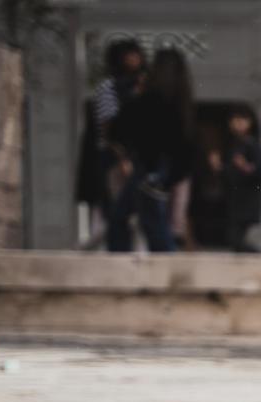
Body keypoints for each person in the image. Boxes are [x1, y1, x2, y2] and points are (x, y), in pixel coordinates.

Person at [107, 48, 196, 253]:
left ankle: (163, 273)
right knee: (145, 222)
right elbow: (185, 146)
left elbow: (119, 128)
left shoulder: (148, 99)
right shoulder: (181, 104)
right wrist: (173, 177)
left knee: (139, 223)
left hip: (146, 168)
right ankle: (163, 271)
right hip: (160, 172)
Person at [75, 39, 145, 247]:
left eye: (136, 54)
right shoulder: (108, 87)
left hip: (136, 155)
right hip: (113, 156)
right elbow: (108, 127)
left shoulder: (142, 85)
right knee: (113, 211)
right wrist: (122, 157)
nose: (134, 59)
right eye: (128, 55)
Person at [222, 108, 261, 252]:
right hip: (236, 197)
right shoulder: (234, 143)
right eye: (235, 121)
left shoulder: (252, 144)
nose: (237, 124)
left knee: (235, 239)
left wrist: (245, 167)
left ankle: (258, 255)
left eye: (241, 120)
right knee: (234, 238)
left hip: (247, 199)